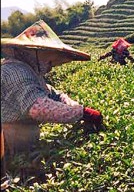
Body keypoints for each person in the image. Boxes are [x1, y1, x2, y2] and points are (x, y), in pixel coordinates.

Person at [1, 20, 104, 166]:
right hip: (7, 141)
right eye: (49, 60)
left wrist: (72, 105)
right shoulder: (16, 72)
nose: (50, 66)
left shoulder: (28, 71)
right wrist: (82, 113)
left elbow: (53, 93)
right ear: (34, 52)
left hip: (20, 137)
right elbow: (39, 109)